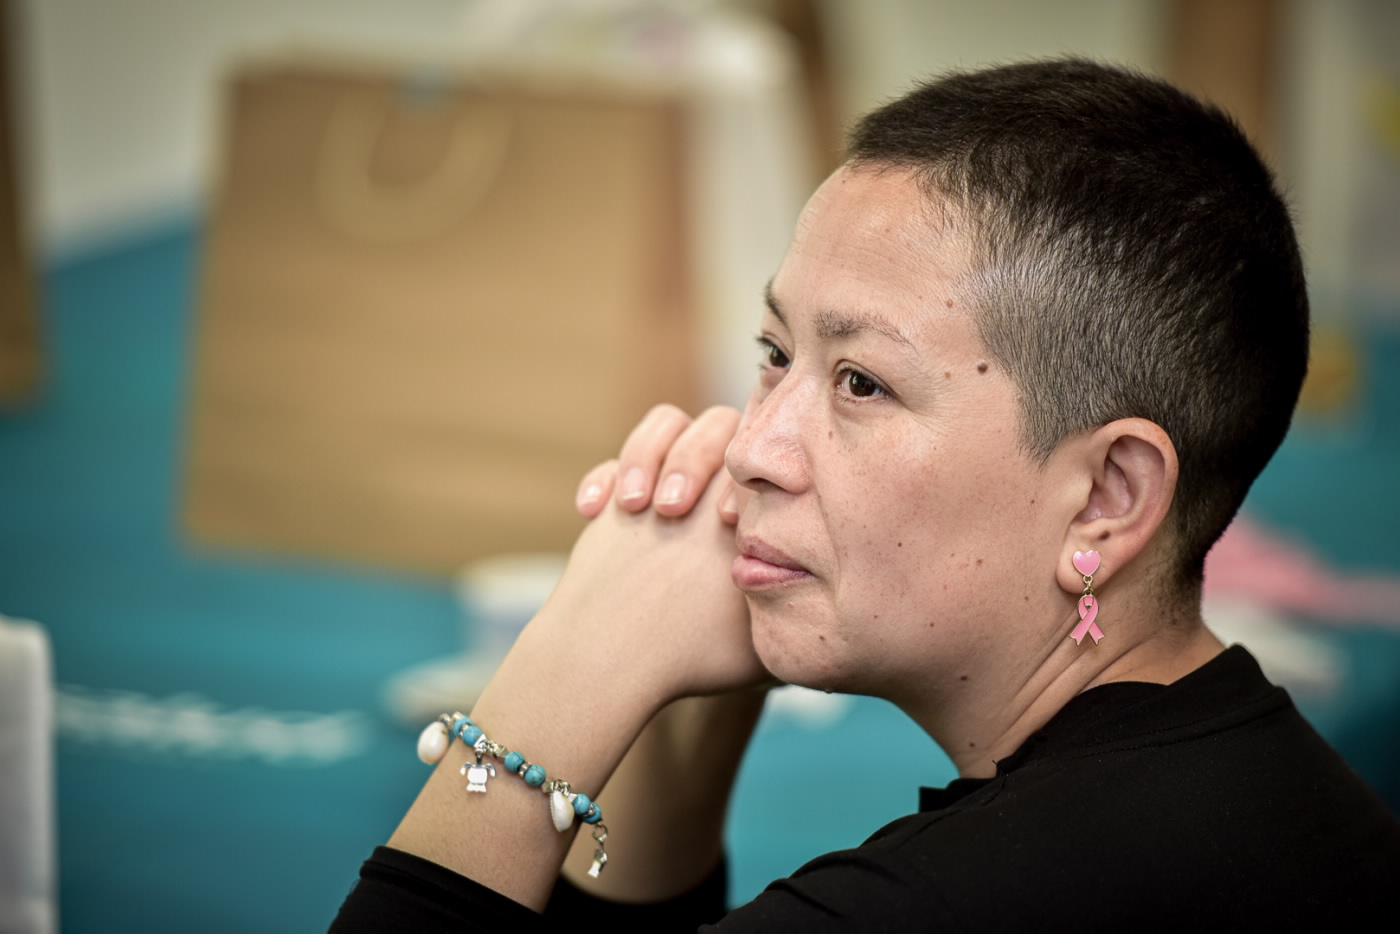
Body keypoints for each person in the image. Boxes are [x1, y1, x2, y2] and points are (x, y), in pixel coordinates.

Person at [330, 59, 1400, 931]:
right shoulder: (1266, 793)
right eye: (773, 352)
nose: (752, 448)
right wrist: (684, 712)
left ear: (1105, 500)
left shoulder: (950, 902)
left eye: (860, 383)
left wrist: (567, 672)